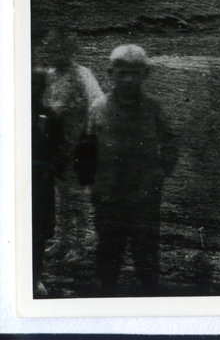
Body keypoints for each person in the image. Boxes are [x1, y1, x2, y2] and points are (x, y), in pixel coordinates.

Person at [74, 44, 178, 296]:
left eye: (135, 72)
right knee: (109, 247)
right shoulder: (99, 107)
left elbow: (169, 142)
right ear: (110, 73)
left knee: (146, 248)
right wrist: (90, 181)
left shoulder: (154, 108)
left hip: (144, 194)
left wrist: (161, 174)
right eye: (121, 73)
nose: (128, 79)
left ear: (146, 74)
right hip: (109, 194)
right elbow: (86, 146)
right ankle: (108, 293)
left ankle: (150, 296)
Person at [42, 28, 105, 263]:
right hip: (58, 147)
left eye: (59, 48)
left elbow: (98, 105)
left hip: (79, 145)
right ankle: (63, 239)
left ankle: (82, 243)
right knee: (61, 196)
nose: (53, 52)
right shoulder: (49, 76)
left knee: (78, 195)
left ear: (70, 50)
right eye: (49, 47)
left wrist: (90, 140)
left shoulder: (82, 75)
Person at [31, 67, 67, 296]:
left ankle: (35, 278)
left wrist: (49, 169)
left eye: (38, 84)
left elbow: (61, 149)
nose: (33, 89)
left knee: (37, 233)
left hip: (39, 186)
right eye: (29, 83)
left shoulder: (49, 116)